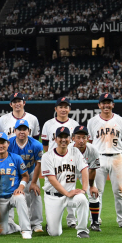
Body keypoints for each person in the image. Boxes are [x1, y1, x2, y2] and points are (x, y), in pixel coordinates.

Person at [87, 93, 122, 229]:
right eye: (103, 102)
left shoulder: (121, 120)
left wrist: (115, 150)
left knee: (119, 190)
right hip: (98, 157)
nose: (106, 105)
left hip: (116, 157)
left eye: (109, 102)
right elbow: (90, 141)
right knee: (96, 191)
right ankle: (95, 220)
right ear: (99, 105)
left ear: (113, 105)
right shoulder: (92, 121)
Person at [41, 127, 91, 238]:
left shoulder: (75, 152)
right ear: (55, 139)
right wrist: (66, 193)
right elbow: (51, 179)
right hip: (53, 197)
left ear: (70, 139)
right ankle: (50, 226)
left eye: (66, 137)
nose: (63, 140)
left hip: (70, 195)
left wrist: (84, 189)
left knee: (82, 199)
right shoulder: (47, 156)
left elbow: (84, 169)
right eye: (60, 137)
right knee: (55, 233)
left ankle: (82, 230)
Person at [40, 97, 79, 227]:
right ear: (55, 109)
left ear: (69, 109)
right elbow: (45, 145)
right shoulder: (48, 124)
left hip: (70, 159)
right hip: (52, 161)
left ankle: (72, 220)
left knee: (71, 187)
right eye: (60, 107)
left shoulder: (74, 124)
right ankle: (51, 219)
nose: (63, 109)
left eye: (65, 106)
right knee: (51, 188)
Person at [0, 133, 32, 239]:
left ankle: (26, 230)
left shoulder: (16, 158)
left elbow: (25, 176)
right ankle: (13, 227)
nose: (0, 146)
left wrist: (20, 188)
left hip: (13, 195)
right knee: (0, 232)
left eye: (3, 143)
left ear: (8, 144)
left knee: (20, 197)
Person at [7, 119, 44, 233]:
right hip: (13, 174)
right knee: (9, 195)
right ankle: (10, 222)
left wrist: (33, 182)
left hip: (31, 171)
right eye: (19, 129)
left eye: (24, 129)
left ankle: (36, 224)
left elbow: (39, 163)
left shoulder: (36, 145)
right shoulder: (9, 143)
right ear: (14, 131)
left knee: (35, 194)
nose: (22, 132)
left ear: (29, 131)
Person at [70, 125, 102, 231]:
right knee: (61, 194)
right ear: (73, 138)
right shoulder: (68, 149)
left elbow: (92, 169)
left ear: (88, 138)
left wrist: (92, 186)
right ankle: (66, 221)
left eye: (84, 137)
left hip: (85, 172)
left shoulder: (92, 150)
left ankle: (95, 222)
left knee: (93, 194)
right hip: (69, 172)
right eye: (78, 137)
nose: (81, 140)